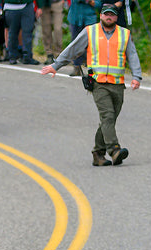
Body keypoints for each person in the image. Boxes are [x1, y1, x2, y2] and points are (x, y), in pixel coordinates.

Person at [40, 4, 142, 166]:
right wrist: (56, 65)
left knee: (109, 120)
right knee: (107, 115)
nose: (109, 17)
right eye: (106, 14)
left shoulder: (124, 34)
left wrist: (137, 76)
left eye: (112, 15)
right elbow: (73, 49)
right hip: (98, 83)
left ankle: (98, 154)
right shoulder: (90, 32)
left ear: (116, 18)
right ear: (101, 16)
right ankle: (114, 150)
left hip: (117, 84)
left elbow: (132, 55)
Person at [67, 0, 100, 75]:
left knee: (91, 44)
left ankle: (92, 68)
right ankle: (76, 66)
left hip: (89, 19)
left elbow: (99, 3)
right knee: (75, 42)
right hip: (75, 17)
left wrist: (93, 2)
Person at [37, 0, 65, 64]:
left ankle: (58, 54)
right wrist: (39, 6)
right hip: (44, 5)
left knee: (57, 29)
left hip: (57, 3)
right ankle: (49, 54)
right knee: (46, 30)